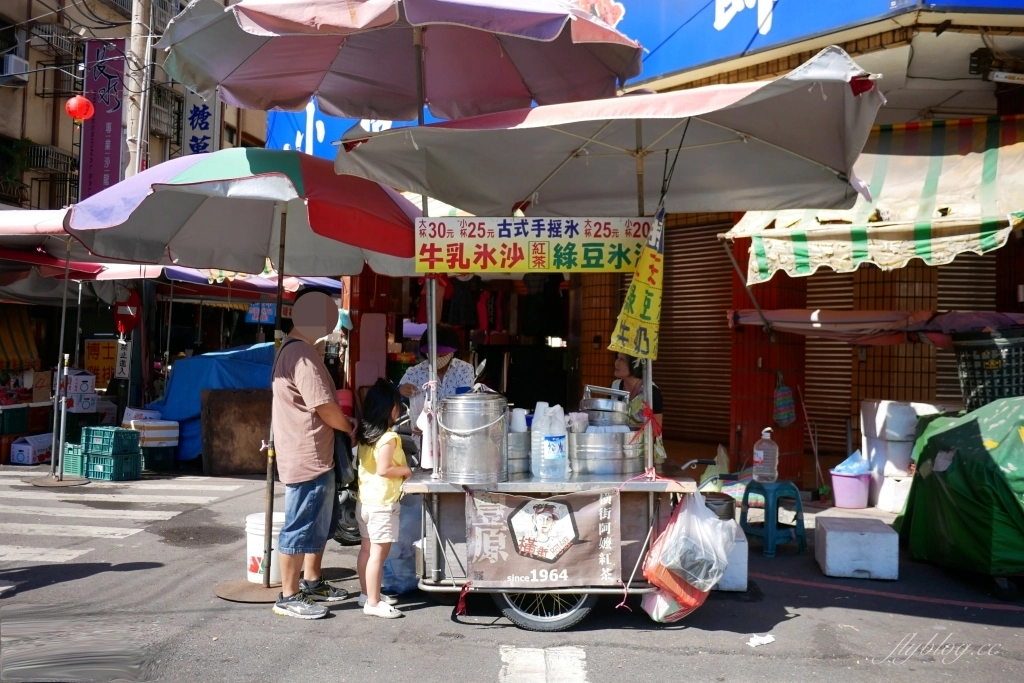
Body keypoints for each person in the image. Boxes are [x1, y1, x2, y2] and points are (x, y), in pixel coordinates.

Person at [271, 291, 355, 620]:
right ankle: (289, 595)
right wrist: (348, 426)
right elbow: (323, 406)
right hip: (307, 454)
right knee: (300, 525)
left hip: (312, 452)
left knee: (318, 524)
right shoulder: (302, 354)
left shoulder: (295, 350)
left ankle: (312, 581)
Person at [356, 378, 413, 619]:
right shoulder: (389, 437)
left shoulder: (365, 432)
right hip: (382, 504)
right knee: (378, 554)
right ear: (392, 408)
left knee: (367, 551)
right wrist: (406, 471)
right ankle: (373, 601)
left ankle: (366, 594)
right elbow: (384, 469)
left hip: (365, 501)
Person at [611, 352, 667, 467]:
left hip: (646, 453)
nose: (616, 363)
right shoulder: (615, 387)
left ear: (634, 364)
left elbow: (656, 430)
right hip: (619, 450)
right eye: (617, 358)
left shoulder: (651, 392)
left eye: (622, 359)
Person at [398, 325, 474, 401]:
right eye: (433, 353)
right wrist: (400, 391)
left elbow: (464, 399)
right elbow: (396, 395)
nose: (437, 356)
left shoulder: (464, 369)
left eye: (441, 353)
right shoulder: (415, 372)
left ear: (452, 352)